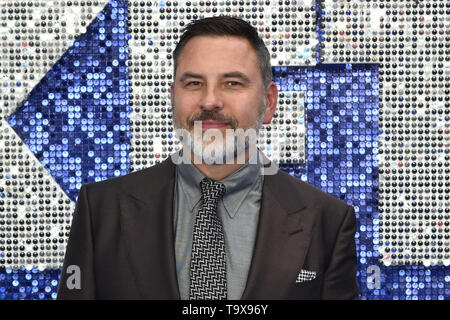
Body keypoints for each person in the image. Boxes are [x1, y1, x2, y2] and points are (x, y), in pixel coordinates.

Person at [57, 16, 359, 300]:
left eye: (233, 83)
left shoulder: (328, 221)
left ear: (268, 103)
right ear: (173, 97)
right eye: (194, 83)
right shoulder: (101, 209)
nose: (210, 101)